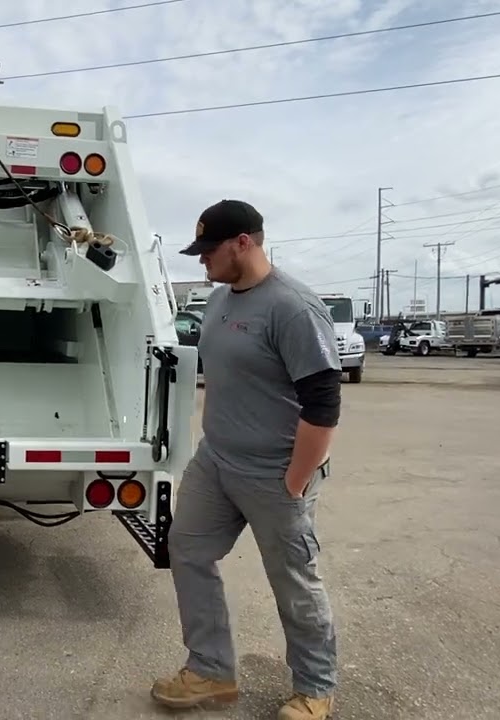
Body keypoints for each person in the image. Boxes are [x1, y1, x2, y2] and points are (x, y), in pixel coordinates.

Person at [150, 199, 341, 720]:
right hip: (217, 462)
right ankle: (210, 671)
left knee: (293, 582)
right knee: (187, 549)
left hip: (274, 473)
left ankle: (315, 688)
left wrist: (295, 482)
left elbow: (323, 405)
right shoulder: (218, 301)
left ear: (243, 243)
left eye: (209, 249)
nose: (202, 259)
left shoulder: (292, 307)